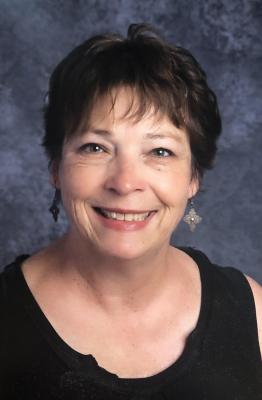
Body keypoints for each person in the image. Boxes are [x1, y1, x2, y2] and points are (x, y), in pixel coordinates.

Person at [0, 23, 261, 399]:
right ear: (56, 167)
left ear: (193, 178)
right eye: (95, 148)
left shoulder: (252, 313)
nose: (125, 183)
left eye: (159, 152)